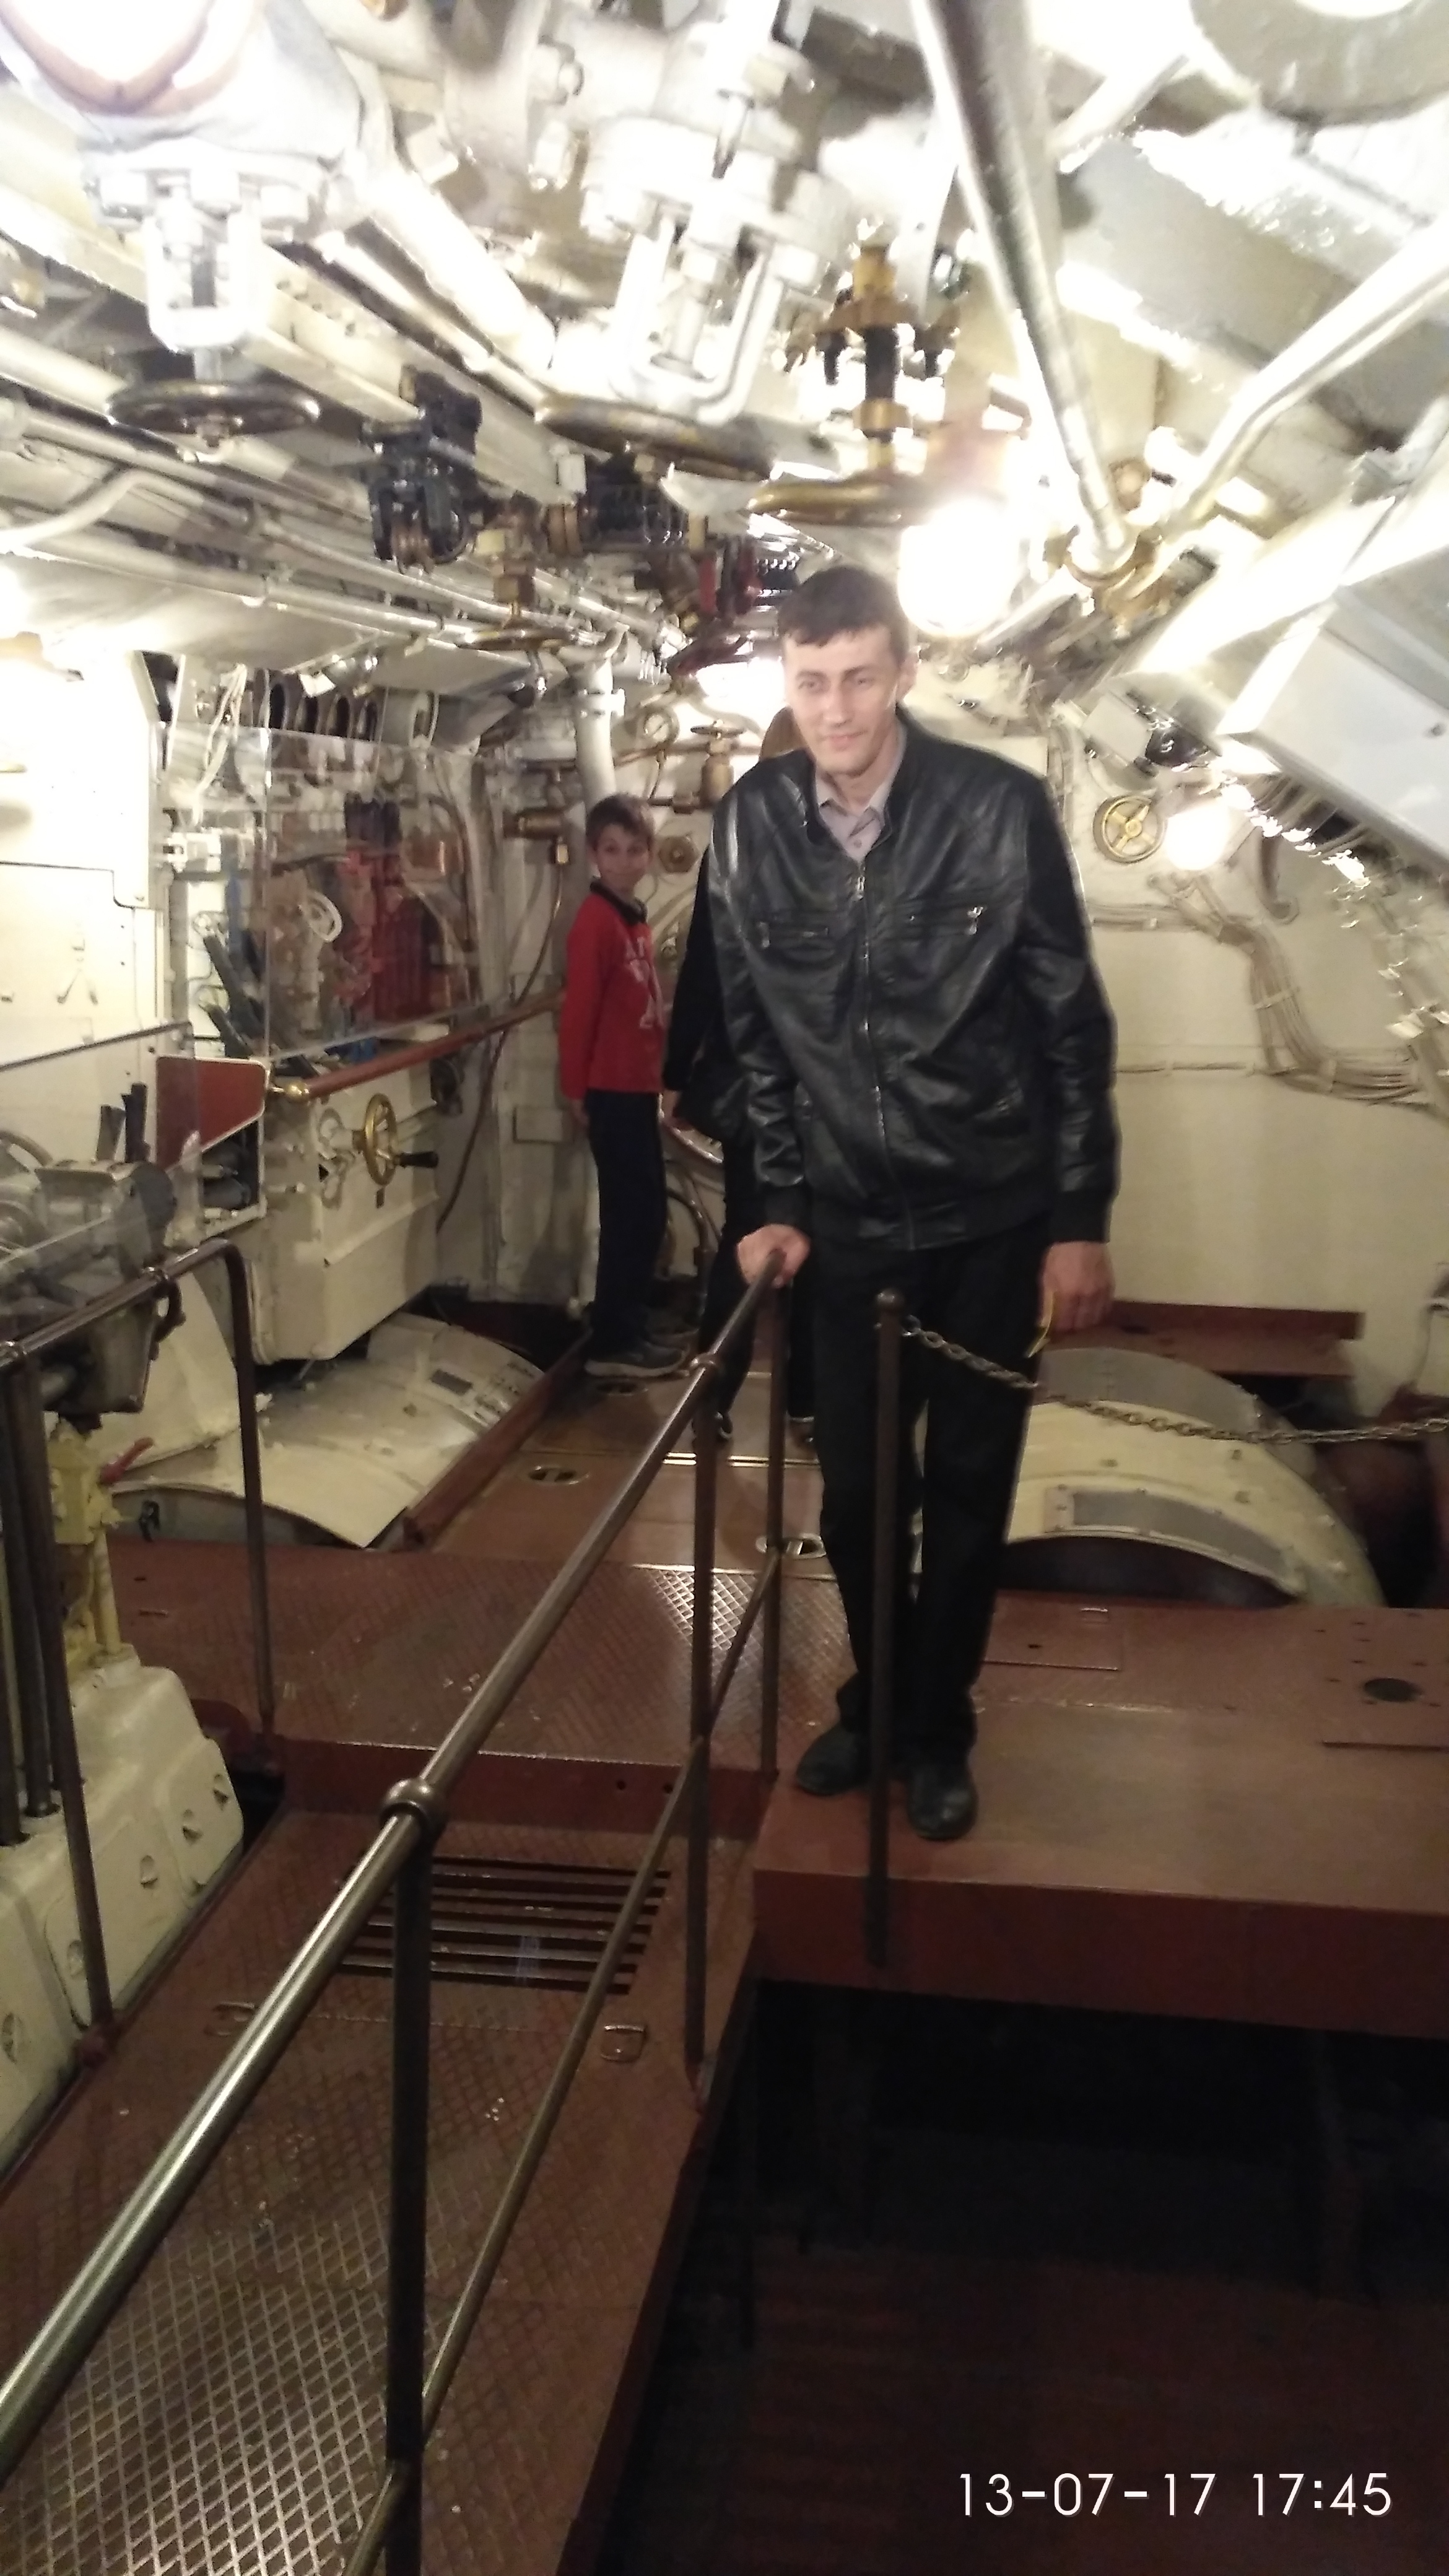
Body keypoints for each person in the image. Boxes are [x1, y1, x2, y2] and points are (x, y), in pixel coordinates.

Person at [708, 565, 1118, 1840]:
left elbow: (1069, 1022)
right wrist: (780, 1197)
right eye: (812, 683)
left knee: (972, 1488)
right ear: (788, 682)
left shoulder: (996, 808)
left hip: (993, 1214)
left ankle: (938, 1731)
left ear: (904, 672)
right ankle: (878, 1708)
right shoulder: (750, 825)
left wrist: (1080, 1216)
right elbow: (757, 1042)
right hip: (848, 1225)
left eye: (859, 679)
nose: (835, 710)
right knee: (859, 1499)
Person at [662, 845, 816, 1438]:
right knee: (820, 1236)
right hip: (829, 1078)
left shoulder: (735, 843)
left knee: (746, 1232)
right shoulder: (856, 830)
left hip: (753, 1074)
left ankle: (713, 1397)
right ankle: (808, 1401)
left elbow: (704, 965)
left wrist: (678, 1072)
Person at [559, 794, 680, 1383]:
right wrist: (575, 1088)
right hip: (610, 1088)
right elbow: (579, 1011)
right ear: (594, 854)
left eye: (634, 850)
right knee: (632, 1215)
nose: (624, 861)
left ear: (649, 855)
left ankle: (629, 1325)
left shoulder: (632, 919)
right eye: (612, 850)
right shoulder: (596, 922)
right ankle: (614, 1340)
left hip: (634, 1086)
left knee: (645, 1213)